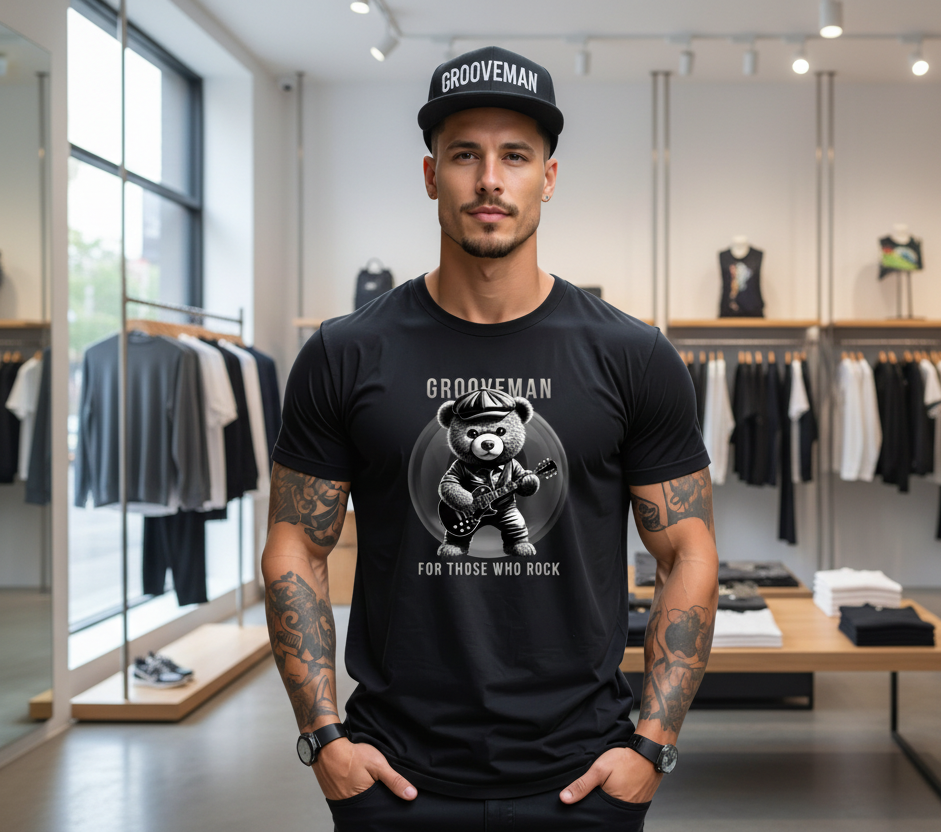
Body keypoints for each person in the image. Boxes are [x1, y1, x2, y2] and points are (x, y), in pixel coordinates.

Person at [262, 46, 720, 831]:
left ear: (548, 176)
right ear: (431, 173)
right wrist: (323, 737)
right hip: (392, 776)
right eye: (464, 154)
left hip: (585, 775)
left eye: (515, 155)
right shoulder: (344, 354)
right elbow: (295, 545)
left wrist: (654, 742)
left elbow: (689, 550)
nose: (489, 180)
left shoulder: (631, 356)